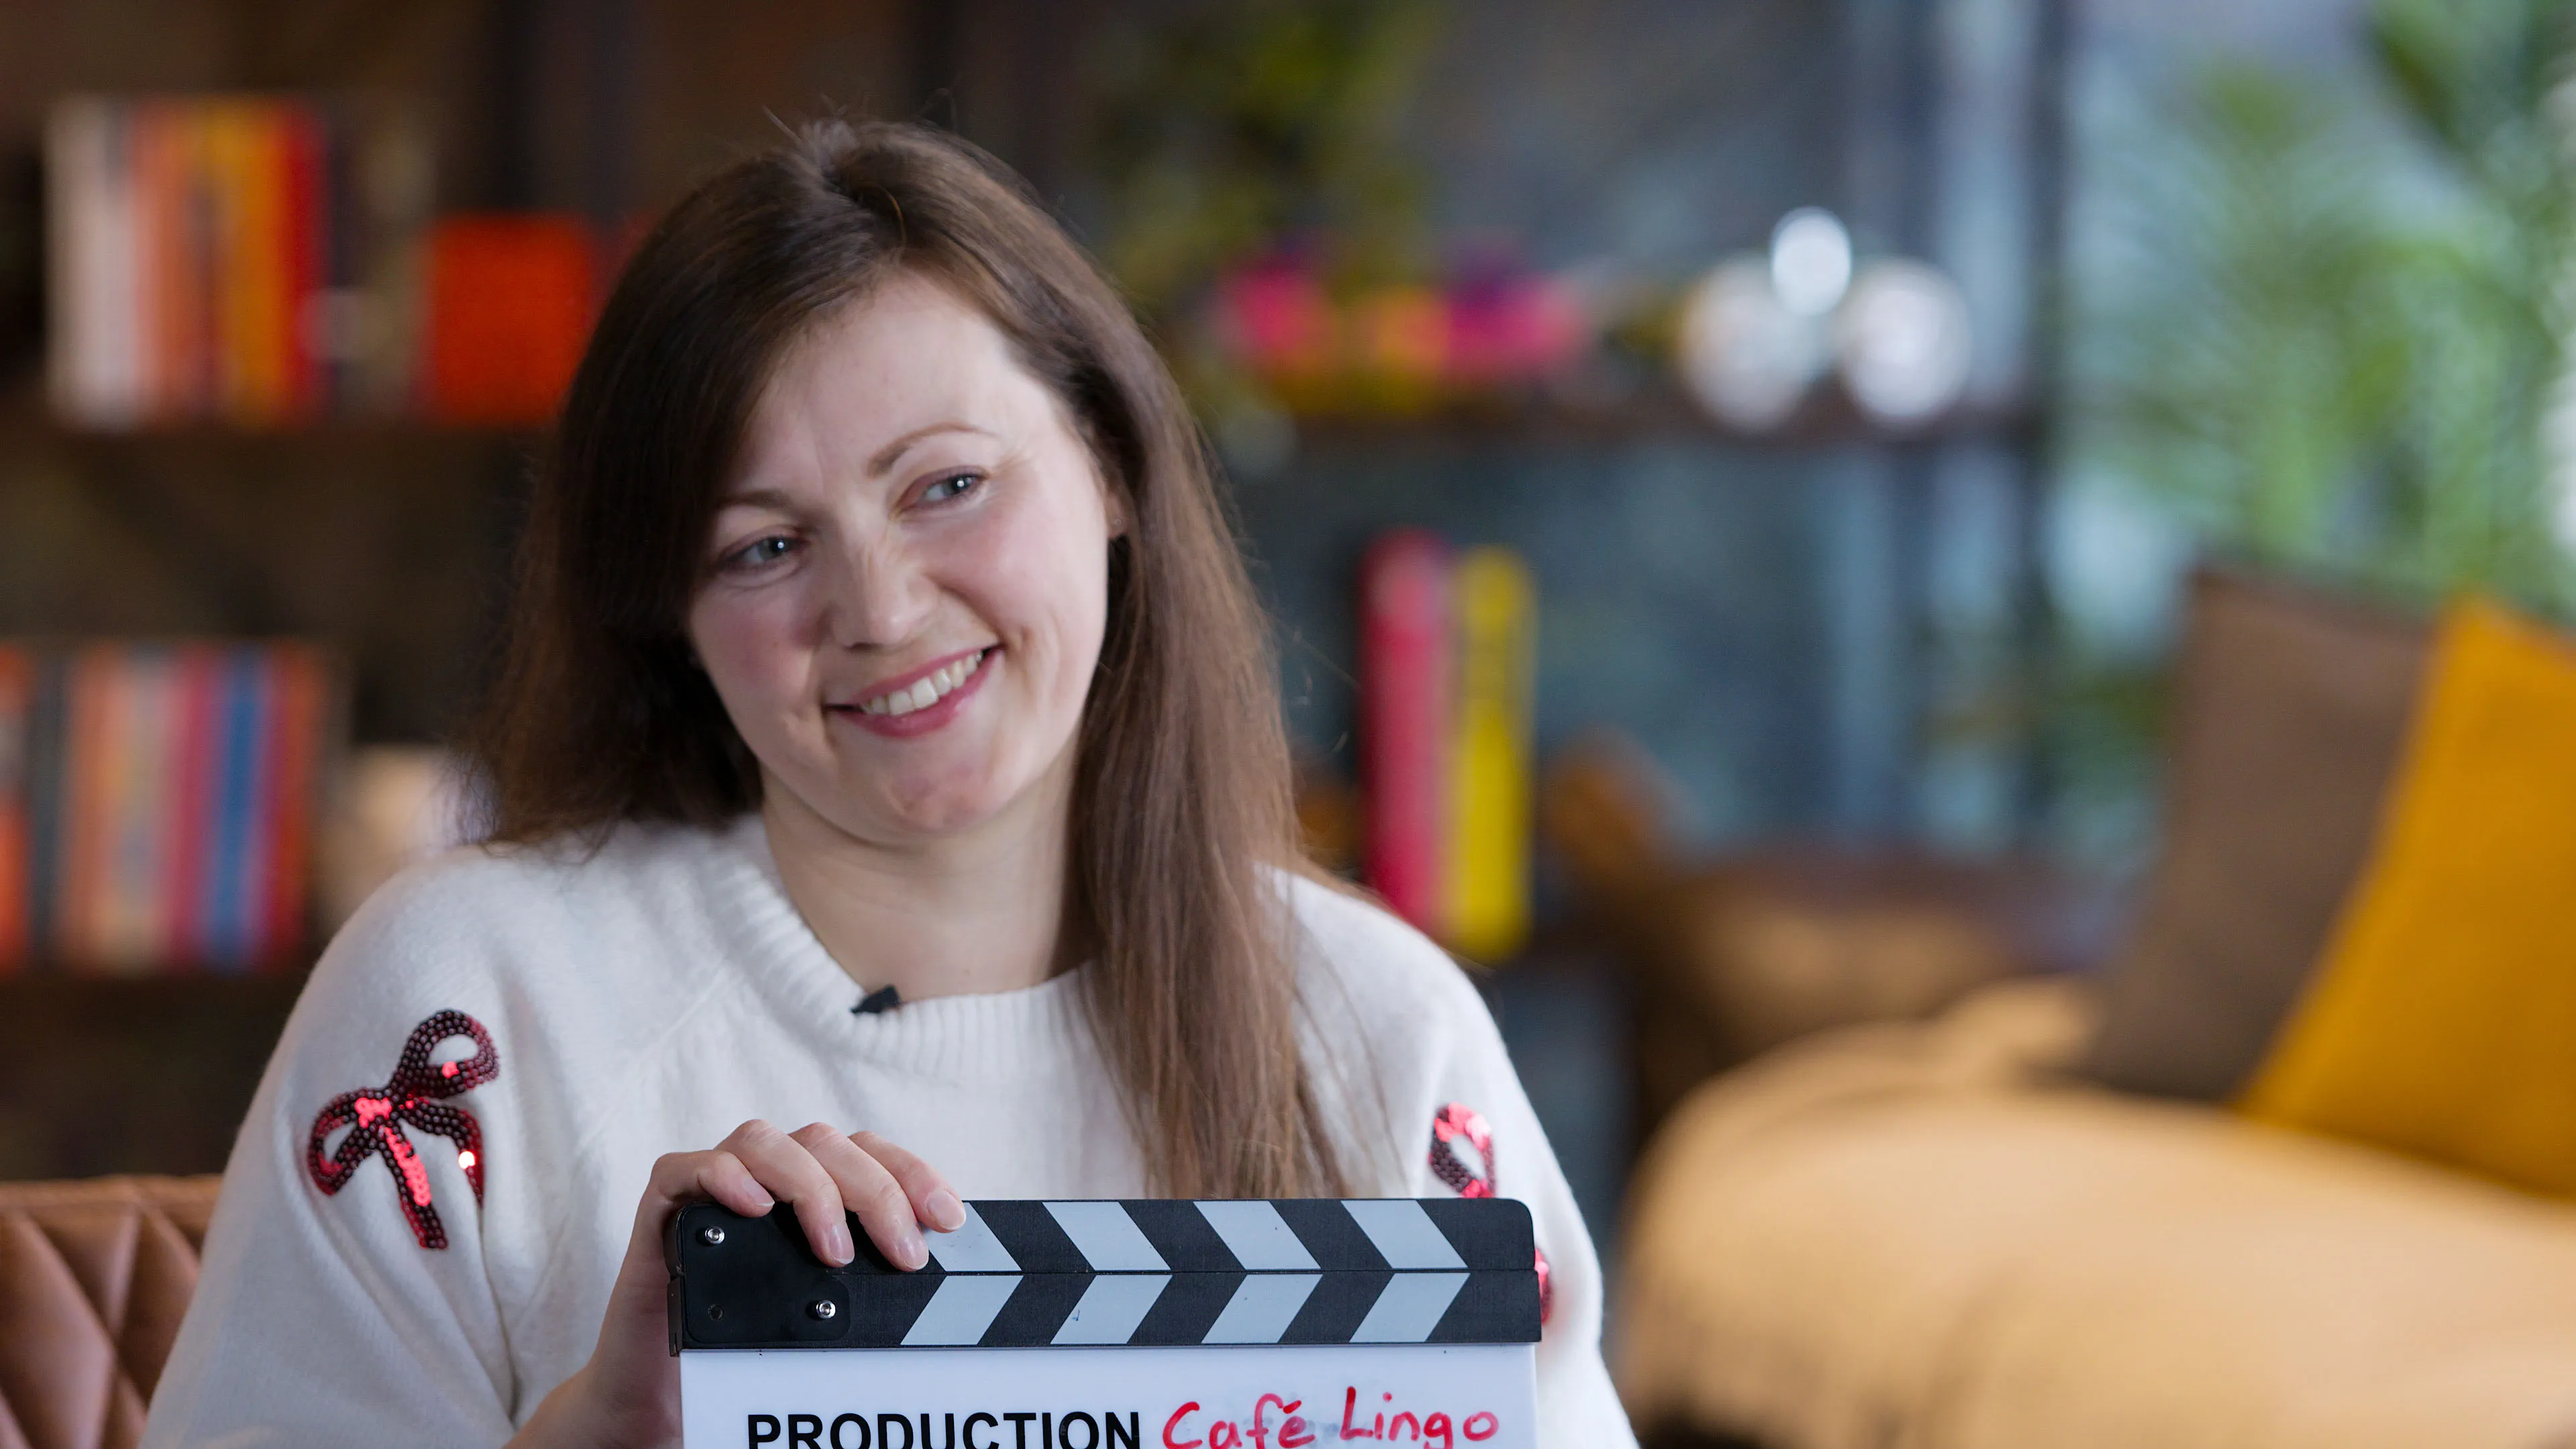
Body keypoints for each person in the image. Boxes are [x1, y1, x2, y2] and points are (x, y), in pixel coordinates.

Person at [140, 120, 1635, 1449]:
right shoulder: (468, 1009)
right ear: (671, 611)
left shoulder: (1380, 1027)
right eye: (764, 547)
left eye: (948, 485)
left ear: (1111, 465)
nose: (882, 609)